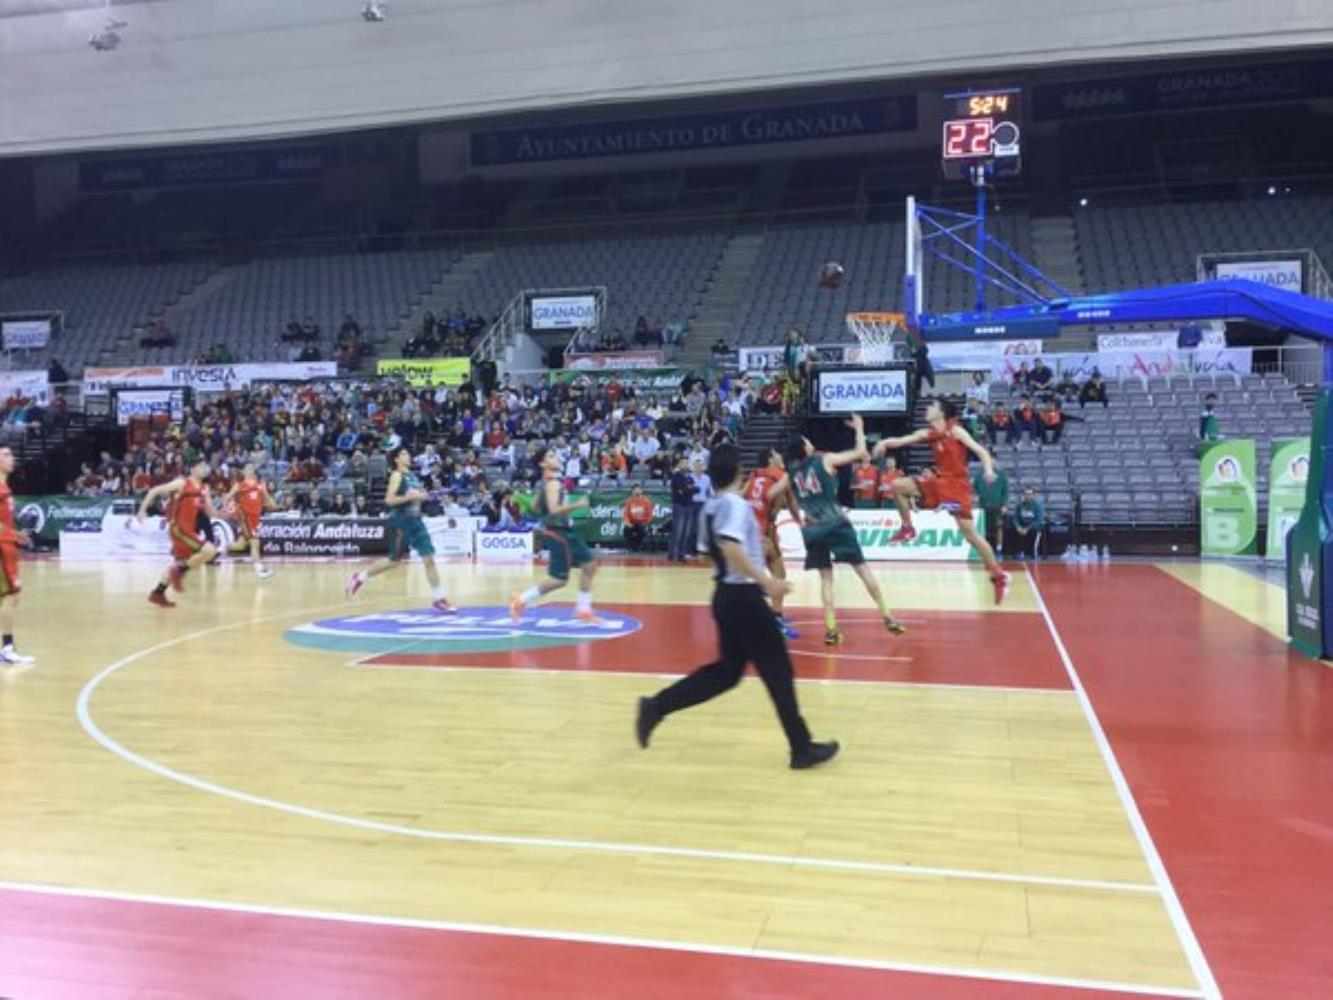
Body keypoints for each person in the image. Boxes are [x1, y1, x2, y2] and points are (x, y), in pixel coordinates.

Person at [634, 444, 839, 771]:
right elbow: (729, 546)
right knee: (778, 671)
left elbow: (706, 554)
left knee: (727, 673)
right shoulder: (735, 505)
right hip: (744, 598)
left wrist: (747, 555)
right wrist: (766, 580)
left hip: (725, 596)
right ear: (739, 472)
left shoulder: (711, 507)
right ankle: (801, 748)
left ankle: (656, 706)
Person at [875, 399, 1011, 604]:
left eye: (932, 407)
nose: (927, 409)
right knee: (897, 486)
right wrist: (885, 443)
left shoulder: (955, 430)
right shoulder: (930, 434)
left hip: (957, 488)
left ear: (941, 413)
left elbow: (981, 451)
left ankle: (998, 576)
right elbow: (905, 439)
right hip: (939, 483)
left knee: (971, 536)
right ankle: (907, 528)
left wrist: (989, 470)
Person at [784, 414, 906, 645]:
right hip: (835, 522)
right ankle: (887, 616)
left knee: (826, 580)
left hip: (812, 528)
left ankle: (831, 629)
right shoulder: (824, 459)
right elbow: (861, 453)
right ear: (804, 447)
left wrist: (798, 518)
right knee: (862, 570)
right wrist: (859, 428)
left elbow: (789, 499)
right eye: (807, 440)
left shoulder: (791, 473)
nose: (811, 442)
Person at [345, 446, 457, 614]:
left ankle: (439, 598)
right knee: (394, 560)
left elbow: (418, 496)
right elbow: (389, 500)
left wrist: (423, 496)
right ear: (397, 459)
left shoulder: (413, 476)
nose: (408, 455)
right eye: (404, 453)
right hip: (400, 521)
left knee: (429, 559)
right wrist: (409, 497)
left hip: (416, 520)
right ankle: (360, 578)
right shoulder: (397, 476)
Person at [510, 447, 600, 622]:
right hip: (560, 533)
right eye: (550, 455)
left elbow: (536, 509)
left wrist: (530, 503)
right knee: (579, 570)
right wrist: (578, 504)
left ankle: (522, 600)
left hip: (558, 532)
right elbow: (554, 509)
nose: (555, 457)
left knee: (570, 575)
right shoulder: (552, 483)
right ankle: (582, 608)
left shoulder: (547, 482)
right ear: (543, 463)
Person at [139, 459, 220, 609]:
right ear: (193, 469)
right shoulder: (182, 483)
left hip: (188, 529)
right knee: (210, 551)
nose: (204, 469)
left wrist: (214, 503)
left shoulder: (203, 488)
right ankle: (180, 571)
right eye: (201, 466)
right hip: (179, 529)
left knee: (178, 563)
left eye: (205, 467)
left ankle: (158, 593)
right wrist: (142, 510)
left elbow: (211, 513)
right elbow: (154, 490)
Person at [741, 448, 798, 639]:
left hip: (748, 529)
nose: (781, 456)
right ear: (770, 460)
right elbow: (788, 502)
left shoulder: (755, 474)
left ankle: (768, 616)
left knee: (755, 576)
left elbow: (741, 496)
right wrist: (800, 520)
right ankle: (775, 618)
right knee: (778, 574)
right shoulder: (781, 476)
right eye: (777, 454)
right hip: (765, 531)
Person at [0, 446, 34, 665]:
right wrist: (15, 535)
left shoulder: (5, 487)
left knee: (9, 597)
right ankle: (7, 648)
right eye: (6, 455)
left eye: (12, 454)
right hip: (2, 548)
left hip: (7, 544)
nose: (12, 458)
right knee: (11, 596)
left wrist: (16, 534)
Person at [224, 463, 277, 579]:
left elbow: (272, 505)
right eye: (248, 467)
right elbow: (227, 498)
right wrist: (231, 509)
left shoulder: (260, 485)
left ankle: (220, 547)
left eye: (252, 467)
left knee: (240, 545)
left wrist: (265, 496)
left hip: (255, 519)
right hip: (245, 517)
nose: (251, 469)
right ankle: (259, 570)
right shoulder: (239, 485)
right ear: (243, 471)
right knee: (255, 543)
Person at [971, 460, 1009, 558]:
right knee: (982, 529)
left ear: (995, 461)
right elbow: (974, 490)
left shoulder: (1001, 475)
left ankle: (999, 549)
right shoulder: (979, 475)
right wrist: (975, 497)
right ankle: (983, 550)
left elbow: (1006, 491)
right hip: (983, 506)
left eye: (991, 460)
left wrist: (1004, 504)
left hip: (997, 506)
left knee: (999, 528)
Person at [667, 455, 696, 562]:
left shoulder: (689, 477)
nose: (685, 464)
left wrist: (688, 489)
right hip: (679, 505)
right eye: (683, 462)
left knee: (686, 532)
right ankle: (672, 554)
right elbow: (683, 490)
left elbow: (696, 489)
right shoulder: (676, 476)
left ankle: (681, 554)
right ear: (679, 464)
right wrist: (689, 489)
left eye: (687, 462)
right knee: (677, 530)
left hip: (689, 505)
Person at [622, 484, 654, 552]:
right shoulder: (629, 501)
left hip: (642, 522)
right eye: (635, 491)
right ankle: (630, 547)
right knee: (626, 530)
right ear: (632, 492)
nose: (637, 492)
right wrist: (627, 522)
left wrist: (646, 523)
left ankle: (637, 547)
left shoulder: (646, 501)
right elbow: (626, 514)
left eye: (638, 490)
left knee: (642, 531)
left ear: (641, 491)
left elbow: (650, 515)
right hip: (632, 522)